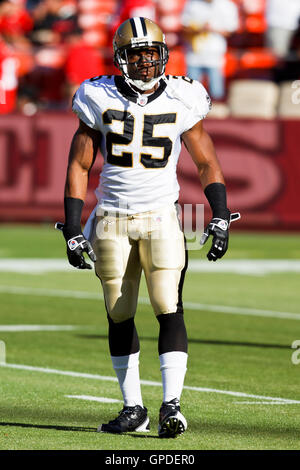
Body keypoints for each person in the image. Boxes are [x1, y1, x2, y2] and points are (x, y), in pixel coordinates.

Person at [60, 17, 239, 438]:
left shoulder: (183, 95)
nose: (145, 62)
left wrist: (219, 212)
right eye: (136, 54)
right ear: (122, 56)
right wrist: (71, 226)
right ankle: (133, 408)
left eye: (151, 53)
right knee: (118, 311)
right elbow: (79, 165)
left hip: (161, 215)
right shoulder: (96, 95)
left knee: (167, 304)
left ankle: (172, 406)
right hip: (110, 218)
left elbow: (207, 161)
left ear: (163, 54)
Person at [181, 0, 239, 100]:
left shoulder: (227, 5)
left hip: (215, 56)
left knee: (216, 94)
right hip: (194, 55)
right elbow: (184, 26)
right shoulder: (192, 3)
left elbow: (231, 31)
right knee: (191, 94)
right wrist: (198, 29)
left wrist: (211, 28)